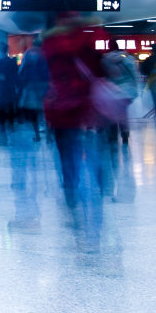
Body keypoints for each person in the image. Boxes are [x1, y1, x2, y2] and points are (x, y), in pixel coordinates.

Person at [42, 13, 107, 249]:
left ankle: (71, 190)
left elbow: (45, 83)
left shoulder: (50, 50)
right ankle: (98, 188)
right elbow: (101, 73)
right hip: (88, 111)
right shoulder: (87, 48)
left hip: (61, 113)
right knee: (92, 152)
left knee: (67, 154)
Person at [101, 39, 139, 144]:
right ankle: (125, 133)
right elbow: (134, 74)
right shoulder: (127, 58)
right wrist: (135, 88)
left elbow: (103, 76)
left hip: (111, 91)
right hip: (127, 91)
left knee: (112, 113)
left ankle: (113, 135)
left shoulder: (105, 59)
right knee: (123, 113)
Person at [17, 37, 49, 139]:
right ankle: (49, 134)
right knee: (46, 110)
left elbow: (22, 70)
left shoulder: (28, 53)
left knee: (33, 112)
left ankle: (37, 134)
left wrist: (21, 84)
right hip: (44, 85)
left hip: (31, 86)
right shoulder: (45, 53)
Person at [0, 41, 19, 126]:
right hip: (10, 87)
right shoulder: (12, 62)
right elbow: (16, 75)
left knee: (2, 105)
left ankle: (2, 123)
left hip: (2, 88)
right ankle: (11, 123)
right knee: (10, 105)